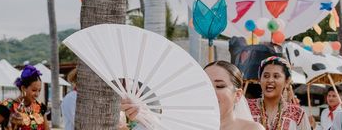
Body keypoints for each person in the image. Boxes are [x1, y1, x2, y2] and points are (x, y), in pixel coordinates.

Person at [123, 60, 263, 130]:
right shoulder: (186, 125)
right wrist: (139, 114)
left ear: (238, 95)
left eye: (220, 86)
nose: (212, 92)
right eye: (206, 86)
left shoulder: (252, 129)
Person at [247, 56, 311, 130]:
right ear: (259, 80)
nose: (270, 80)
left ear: (286, 82)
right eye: (266, 76)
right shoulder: (246, 108)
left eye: (276, 76)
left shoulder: (297, 114)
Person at [0, 65, 49, 130]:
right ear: (23, 88)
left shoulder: (40, 107)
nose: (37, 94)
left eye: (39, 90)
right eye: (34, 90)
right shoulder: (7, 106)